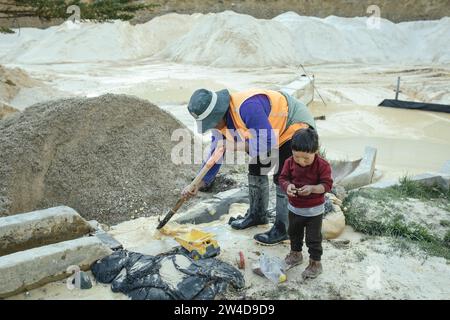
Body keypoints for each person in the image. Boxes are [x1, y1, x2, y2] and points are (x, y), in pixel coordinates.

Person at [181, 88, 316, 245]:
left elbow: (267, 143)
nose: (214, 127)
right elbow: (215, 152)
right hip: (270, 131)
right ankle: (257, 215)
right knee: (256, 167)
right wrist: (199, 183)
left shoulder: (247, 107)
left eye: (213, 123)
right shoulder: (221, 123)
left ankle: (283, 229)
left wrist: (235, 145)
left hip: (293, 125)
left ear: (219, 113)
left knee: (283, 177)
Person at [278, 128, 333, 278]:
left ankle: (315, 263)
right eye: (297, 157)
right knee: (294, 234)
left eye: (306, 158)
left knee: (313, 239)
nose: (301, 162)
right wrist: (287, 186)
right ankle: (295, 254)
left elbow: (327, 185)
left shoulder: (322, 165)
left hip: (313, 211)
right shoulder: (289, 162)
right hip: (294, 208)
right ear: (292, 152)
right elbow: (282, 179)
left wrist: (313, 189)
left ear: (316, 151)